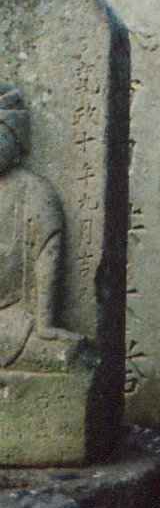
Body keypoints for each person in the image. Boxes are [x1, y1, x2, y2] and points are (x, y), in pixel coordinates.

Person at [0, 84, 83, 371]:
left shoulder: (33, 192)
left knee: (66, 355)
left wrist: (44, 322)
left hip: (14, 320)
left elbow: (46, 253)